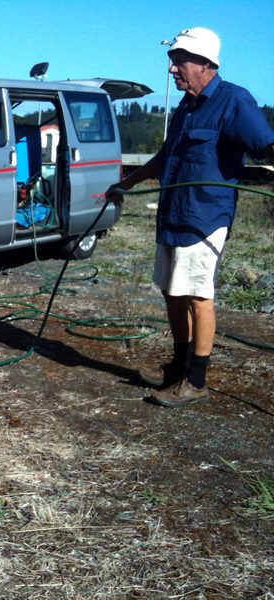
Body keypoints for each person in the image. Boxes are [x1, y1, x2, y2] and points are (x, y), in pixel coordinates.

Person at [107, 27, 274, 408]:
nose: (172, 69)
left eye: (179, 60)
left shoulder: (234, 101)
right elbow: (163, 158)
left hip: (204, 218)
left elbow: (268, 145)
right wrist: (125, 184)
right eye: (172, 60)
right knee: (172, 291)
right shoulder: (184, 107)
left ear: (205, 64)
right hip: (172, 216)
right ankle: (178, 368)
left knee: (199, 295)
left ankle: (196, 380)